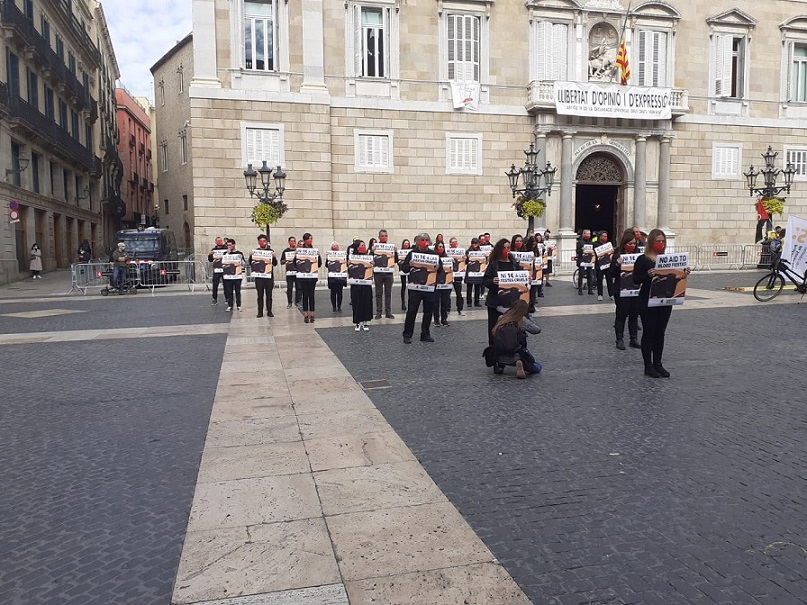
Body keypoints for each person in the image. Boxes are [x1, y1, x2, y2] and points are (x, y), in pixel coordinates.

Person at [633, 228, 691, 378]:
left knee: (660, 333)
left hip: (664, 301)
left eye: (663, 241)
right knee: (649, 332)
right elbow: (635, 280)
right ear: (651, 242)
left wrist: (684, 272)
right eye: (658, 241)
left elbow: (676, 277)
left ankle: (658, 363)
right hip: (647, 301)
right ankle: (648, 366)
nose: (661, 243)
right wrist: (647, 275)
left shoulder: (666, 260)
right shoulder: (642, 259)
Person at [401, 233, 442, 344]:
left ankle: (425, 334)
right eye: (423, 240)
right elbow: (404, 269)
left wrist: (438, 267)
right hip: (415, 289)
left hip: (429, 289)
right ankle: (407, 334)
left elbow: (441, 270)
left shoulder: (433, 254)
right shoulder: (412, 254)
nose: (425, 242)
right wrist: (409, 264)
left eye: (427, 239)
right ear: (418, 242)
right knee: (411, 311)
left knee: (428, 312)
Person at [490, 299, 542, 378]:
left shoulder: (501, 318)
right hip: (517, 353)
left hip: (499, 353)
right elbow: (537, 330)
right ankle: (519, 362)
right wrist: (529, 316)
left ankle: (500, 365)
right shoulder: (521, 320)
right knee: (538, 366)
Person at [610, 229, 641, 350]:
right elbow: (611, 273)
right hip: (621, 290)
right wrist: (617, 265)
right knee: (621, 315)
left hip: (635, 290)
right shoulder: (618, 255)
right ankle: (619, 339)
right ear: (624, 244)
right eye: (630, 244)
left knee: (634, 315)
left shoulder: (639, 255)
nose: (632, 246)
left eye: (634, 243)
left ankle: (633, 339)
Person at [483, 238, 518, 345]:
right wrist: (492, 281)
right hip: (495, 301)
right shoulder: (494, 264)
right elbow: (485, 280)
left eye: (508, 248)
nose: (507, 250)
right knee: (494, 326)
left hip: (511, 301)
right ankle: (493, 349)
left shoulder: (514, 263)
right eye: (505, 248)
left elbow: (521, 276)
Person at [295, 232, 322, 323]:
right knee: (305, 295)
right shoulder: (300, 250)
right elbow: (296, 264)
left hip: (312, 277)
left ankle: (312, 314)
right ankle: (305, 314)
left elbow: (319, 264)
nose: (310, 240)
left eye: (311, 238)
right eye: (308, 238)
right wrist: (296, 255)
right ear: (305, 240)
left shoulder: (313, 250)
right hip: (303, 277)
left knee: (311, 295)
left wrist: (318, 255)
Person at [249, 234, 277, 318]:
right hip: (259, 277)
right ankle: (260, 312)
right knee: (259, 295)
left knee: (269, 295)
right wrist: (251, 256)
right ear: (258, 242)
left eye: (264, 241)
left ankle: (269, 311)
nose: (262, 242)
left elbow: (275, 264)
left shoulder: (270, 251)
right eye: (260, 241)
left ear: (267, 242)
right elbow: (251, 263)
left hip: (268, 276)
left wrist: (274, 257)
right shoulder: (256, 251)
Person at [372, 229, 396, 319]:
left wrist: (396, 252)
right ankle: (379, 312)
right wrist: (372, 251)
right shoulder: (375, 248)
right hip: (378, 273)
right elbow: (370, 259)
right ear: (379, 237)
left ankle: (388, 312)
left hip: (388, 273)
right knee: (378, 293)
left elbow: (395, 261)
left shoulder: (390, 248)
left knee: (388, 293)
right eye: (382, 236)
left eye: (385, 236)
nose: (384, 237)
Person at [351, 239, 373, 331]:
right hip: (356, 283)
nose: (363, 247)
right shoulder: (352, 257)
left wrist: (372, 264)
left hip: (366, 283)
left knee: (366, 301)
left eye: (364, 245)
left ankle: (365, 321)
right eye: (361, 245)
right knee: (357, 301)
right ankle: (357, 322)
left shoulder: (368, 257)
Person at [432, 241, 452, 327]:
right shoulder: (433, 257)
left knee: (445, 302)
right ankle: (436, 319)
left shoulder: (447, 257)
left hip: (445, 283)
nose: (441, 248)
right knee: (436, 302)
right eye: (439, 247)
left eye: (442, 247)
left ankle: (444, 319)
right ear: (436, 248)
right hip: (436, 283)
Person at [223, 238, 245, 311]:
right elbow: (223, 263)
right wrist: (227, 253)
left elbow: (243, 264)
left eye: (230, 245)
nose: (229, 246)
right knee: (229, 291)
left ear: (234, 245)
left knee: (237, 291)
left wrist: (241, 259)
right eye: (227, 245)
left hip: (237, 275)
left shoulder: (239, 253)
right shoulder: (225, 253)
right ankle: (230, 305)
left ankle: (239, 305)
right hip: (228, 276)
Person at [594, 230, 614, 301]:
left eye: (606, 236)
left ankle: (611, 294)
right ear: (600, 236)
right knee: (599, 280)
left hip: (608, 264)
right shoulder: (595, 244)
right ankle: (600, 294)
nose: (606, 237)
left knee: (609, 280)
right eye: (604, 236)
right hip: (599, 265)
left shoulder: (608, 244)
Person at [280, 236, 300, 309]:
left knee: (299, 287)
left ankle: (297, 302)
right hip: (289, 273)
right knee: (289, 288)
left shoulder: (298, 250)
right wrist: (286, 259)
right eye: (291, 241)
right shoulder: (286, 251)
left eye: (294, 241)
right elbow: (281, 262)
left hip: (297, 272)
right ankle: (289, 302)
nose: (293, 242)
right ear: (289, 242)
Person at [327, 241, 347, 312]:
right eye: (333, 246)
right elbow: (327, 265)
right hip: (332, 277)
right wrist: (328, 258)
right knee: (333, 293)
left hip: (340, 277)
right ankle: (334, 307)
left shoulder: (341, 255)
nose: (335, 247)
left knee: (339, 293)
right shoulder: (329, 255)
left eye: (336, 246)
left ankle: (339, 306)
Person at [208, 236, 228, 305]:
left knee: (226, 285)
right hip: (216, 270)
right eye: (218, 241)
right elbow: (210, 260)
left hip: (224, 270)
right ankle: (214, 299)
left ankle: (227, 298)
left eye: (220, 241)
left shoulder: (225, 248)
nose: (220, 242)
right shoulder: (213, 249)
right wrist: (210, 255)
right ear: (215, 242)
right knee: (215, 285)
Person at [448, 237, 465, 316]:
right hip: (449, 276)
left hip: (458, 275)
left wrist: (465, 259)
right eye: (453, 242)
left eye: (456, 242)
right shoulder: (447, 253)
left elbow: (464, 261)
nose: (454, 243)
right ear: (450, 244)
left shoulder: (460, 253)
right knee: (447, 294)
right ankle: (447, 309)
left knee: (459, 293)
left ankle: (460, 309)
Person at [465, 237, 484, 307]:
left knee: (477, 288)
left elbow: (483, 261)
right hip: (470, 272)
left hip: (477, 271)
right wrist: (467, 257)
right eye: (473, 244)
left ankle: (477, 301)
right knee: (469, 288)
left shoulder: (481, 252)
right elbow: (465, 262)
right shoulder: (468, 251)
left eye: (476, 243)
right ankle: (469, 302)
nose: (475, 245)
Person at [576, 229, 595, 295]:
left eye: (589, 234)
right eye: (587, 234)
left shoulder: (591, 242)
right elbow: (577, 251)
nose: (588, 235)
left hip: (589, 261)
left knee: (590, 275)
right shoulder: (580, 242)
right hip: (582, 261)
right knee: (581, 275)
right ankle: (580, 289)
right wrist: (581, 249)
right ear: (584, 234)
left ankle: (590, 289)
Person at [398, 238, 411, 310]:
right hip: (402, 269)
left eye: (408, 243)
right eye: (405, 243)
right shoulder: (400, 252)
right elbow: (397, 260)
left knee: (410, 286)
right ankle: (403, 302)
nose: (406, 244)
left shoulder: (410, 252)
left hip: (409, 269)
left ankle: (410, 301)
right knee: (403, 286)